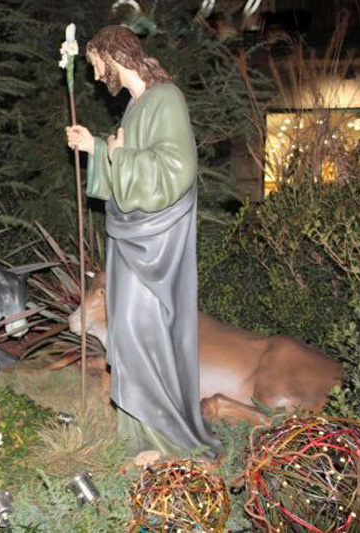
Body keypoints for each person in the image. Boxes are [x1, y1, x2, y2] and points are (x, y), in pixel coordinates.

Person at [65, 25, 221, 462]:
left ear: (116, 56)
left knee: (142, 329)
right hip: (133, 240)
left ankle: (168, 437)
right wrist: (95, 148)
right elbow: (125, 162)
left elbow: (176, 168)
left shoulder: (165, 99)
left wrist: (117, 154)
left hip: (156, 246)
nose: (97, 76)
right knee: (129, 330)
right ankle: (142, 435)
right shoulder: (135, 107)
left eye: (98, 65)